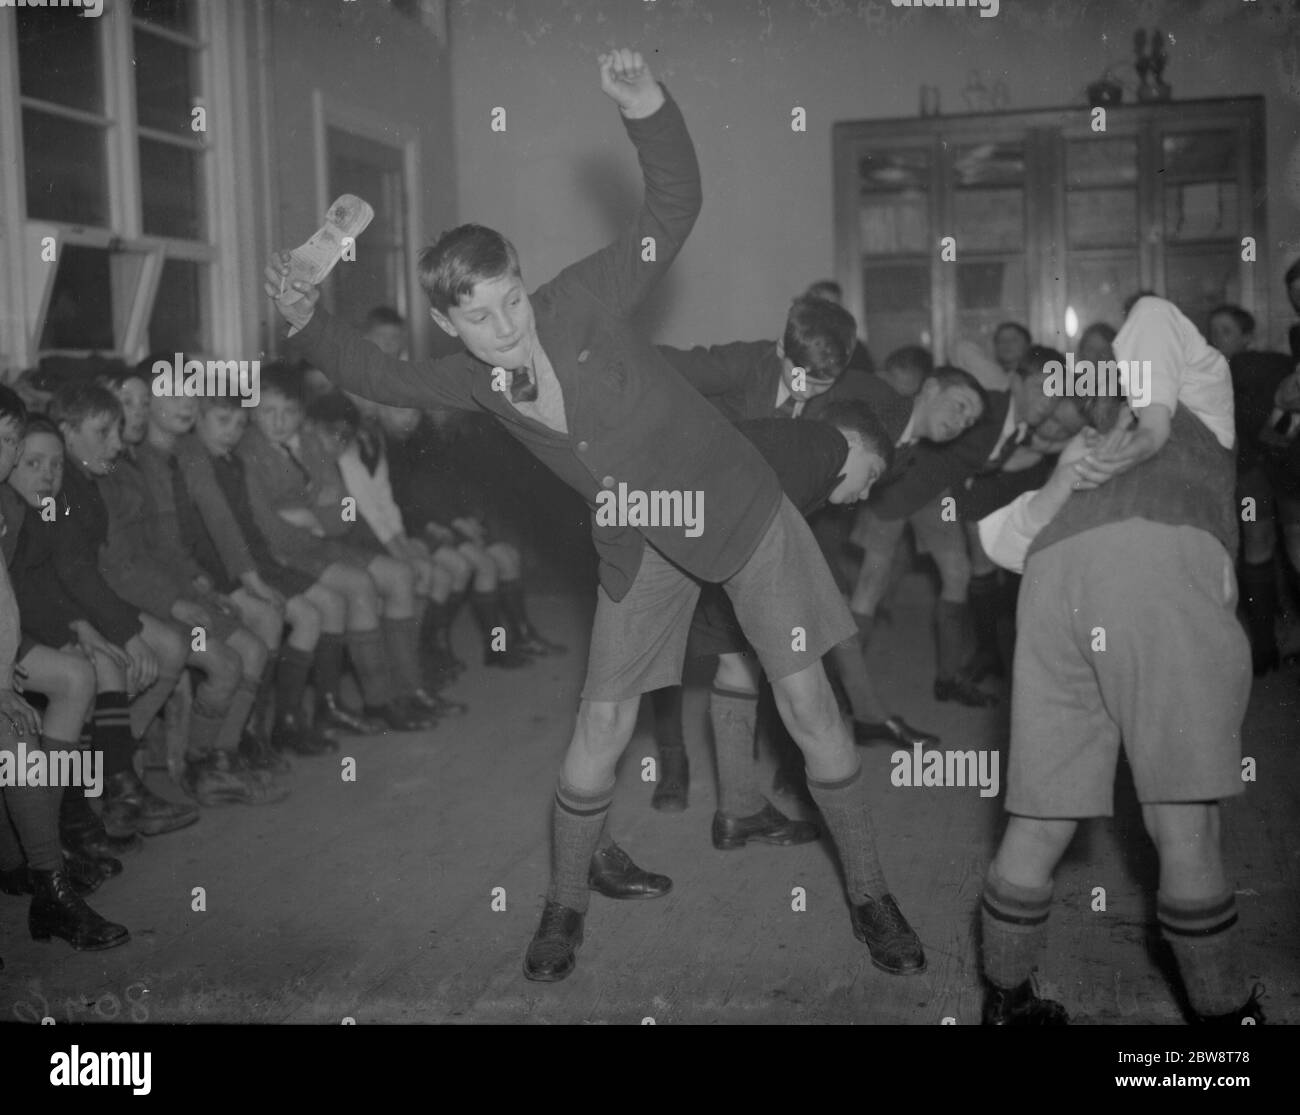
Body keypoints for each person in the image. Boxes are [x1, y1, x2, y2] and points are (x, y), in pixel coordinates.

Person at [268, 48, 926, 982]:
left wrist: (646, 105)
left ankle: (870, 892)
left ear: (520, 279)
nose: (505, 329)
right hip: (638, 541)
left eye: (508, 302)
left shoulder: (579, 299)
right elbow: (376, 373)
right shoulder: (467, 376)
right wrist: (303, 320)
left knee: (809, 704)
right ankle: (564, 904)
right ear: (450, 325)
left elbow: (672, 209)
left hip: (738, 506)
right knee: (599, 731)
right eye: (480, 320)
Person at [974, 294, 1262, 1025]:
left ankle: (1006, 1001)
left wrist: (1070, 476)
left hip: (1053, 590)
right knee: (1183, 822)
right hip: (1152, 573)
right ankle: (1226, 1023)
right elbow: (1158, 310)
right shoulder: (1198, 397)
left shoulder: (1103, 438)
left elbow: (1009, 546)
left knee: (1040, 816)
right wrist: (1146, 423)